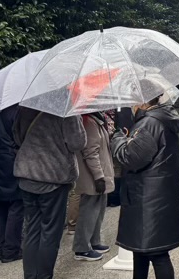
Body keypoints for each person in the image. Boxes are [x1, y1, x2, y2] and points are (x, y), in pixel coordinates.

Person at [111, 80, 179, 279]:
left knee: (156, 253)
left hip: (148, 199)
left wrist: (117, 138)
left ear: (142, 100)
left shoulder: (149, 123)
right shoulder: (161, 118)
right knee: (141, 250)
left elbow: (131, 158)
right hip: (155, 195)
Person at [13, 107, 86, 279]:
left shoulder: (26, 105)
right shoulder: (66, 107)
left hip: (27, 173)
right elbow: (77, 143)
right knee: (50, 233)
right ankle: (44, 276)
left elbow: (16, 136)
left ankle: (30, 276)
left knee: (32, 230)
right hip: (53, 176)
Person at [72, 112, 115, 261]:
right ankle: (81, 248)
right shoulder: (89, 121)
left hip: (100, 173)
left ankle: (94, 241)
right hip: (93, 176)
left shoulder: (96, 119)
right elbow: (90, 152)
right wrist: (99, 177)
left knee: (98, 209)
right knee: (89, 211)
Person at [0, 107, 24, 263]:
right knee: (17, 204)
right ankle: (11, 249)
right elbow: (20, 138)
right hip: (12, 162)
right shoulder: (15, 112)